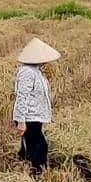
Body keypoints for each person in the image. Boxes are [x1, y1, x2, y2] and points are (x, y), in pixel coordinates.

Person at [12, 37, 60, 174]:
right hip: (29, 116)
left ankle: (25, 165)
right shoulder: (27, 72)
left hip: (35, 116)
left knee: (31, 145)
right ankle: (37, 174)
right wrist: (21, 121)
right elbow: (22, 97)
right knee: (40, 147)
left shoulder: (35, 70)